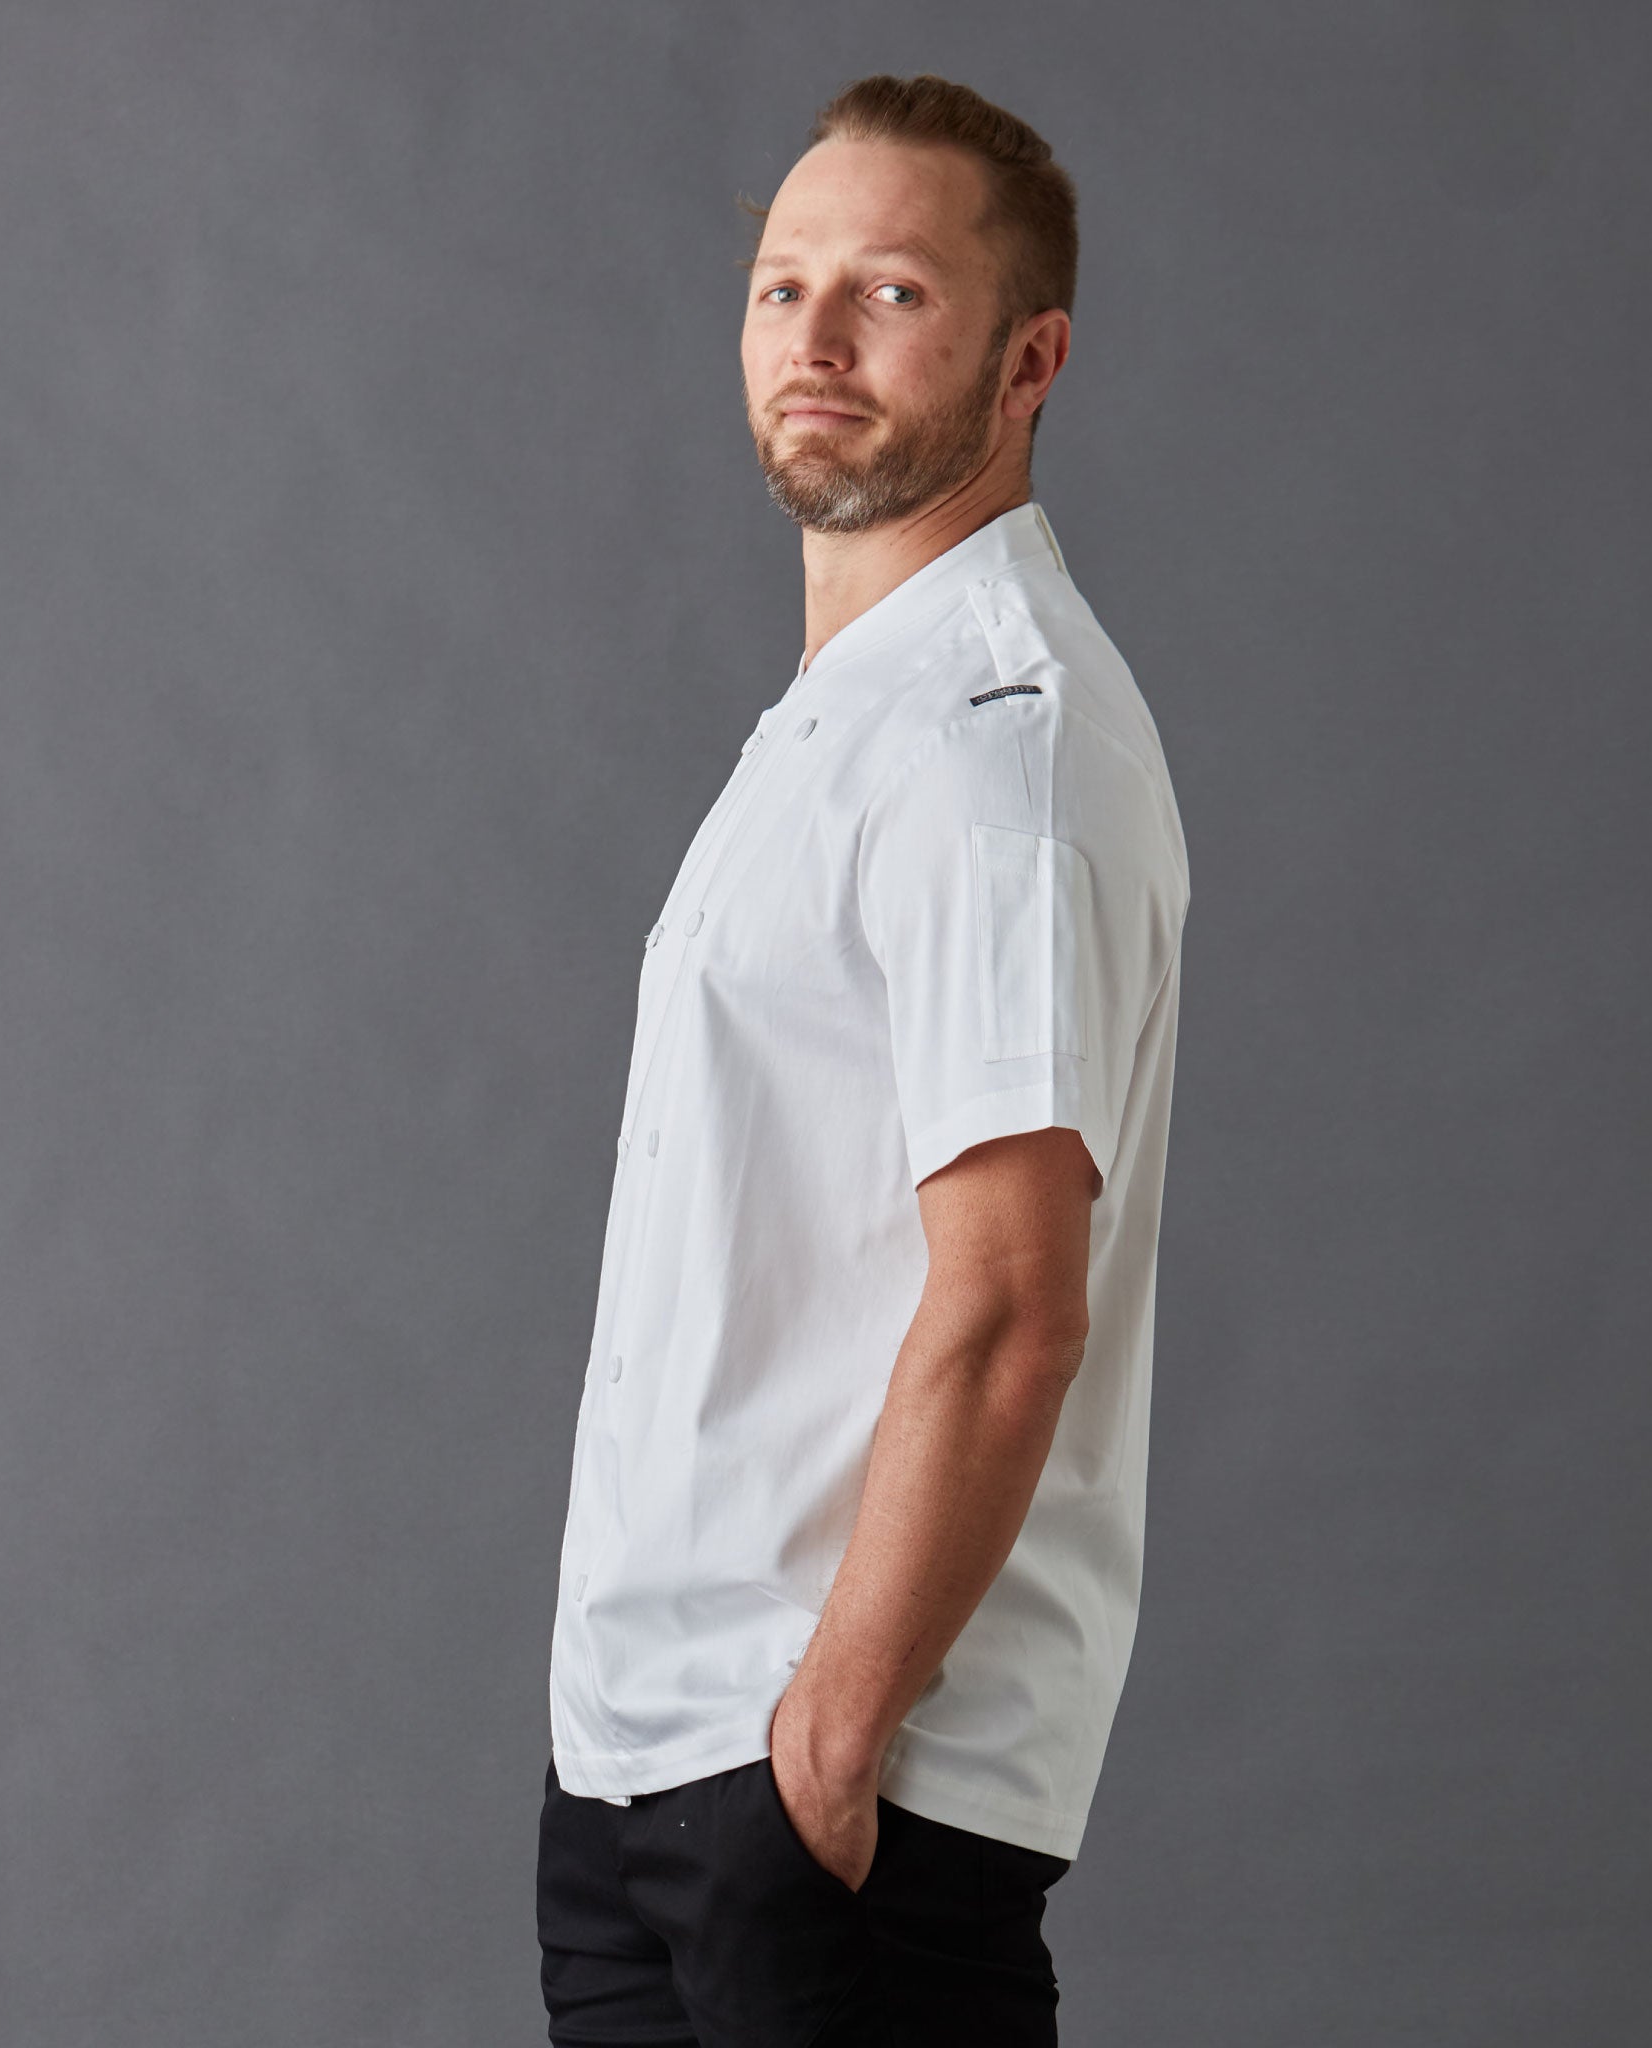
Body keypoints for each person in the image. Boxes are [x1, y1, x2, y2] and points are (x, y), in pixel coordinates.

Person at [536, 71, 1191, 2047]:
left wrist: (821, 1746)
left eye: (890, 292)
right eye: (780, 286)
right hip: (654, 1768)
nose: (813, 337)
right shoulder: (849, 713)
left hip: (839, 1801)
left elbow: (1011, 1308)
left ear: (1028, 361)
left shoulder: (995, 741)